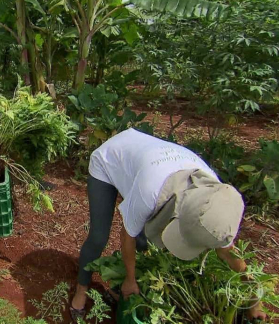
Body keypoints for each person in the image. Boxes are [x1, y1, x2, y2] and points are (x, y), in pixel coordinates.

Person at [69, 128, 267, 321]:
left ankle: (116, 288)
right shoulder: (149, 192)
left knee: (145, 240)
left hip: (145, 164)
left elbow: (228, 253)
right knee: (98, 237)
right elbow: (126, 235)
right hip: (110, 159)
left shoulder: (214, 203)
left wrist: (254, 299)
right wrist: (130, 280)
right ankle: (81, 291)